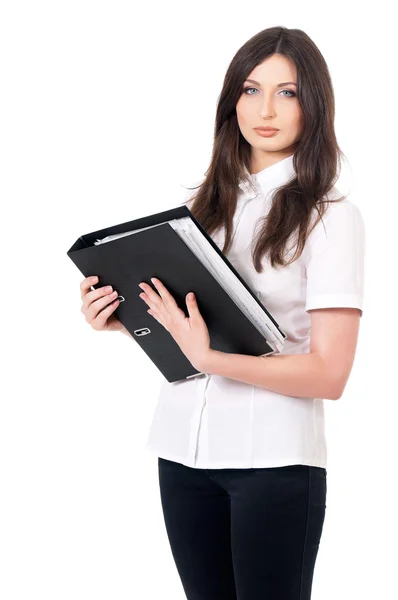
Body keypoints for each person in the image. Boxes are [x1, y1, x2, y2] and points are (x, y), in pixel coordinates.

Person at [79, 26, 365, 600]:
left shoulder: (332, 217)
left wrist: (211, 357)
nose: (265, 109)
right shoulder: (198, 210)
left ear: (314, 104)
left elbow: (329, 374)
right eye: (251, 89)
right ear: (231, 99)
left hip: (274, 461)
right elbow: (187, 326)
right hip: (182, 452)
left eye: (287, 93)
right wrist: (119, 316)